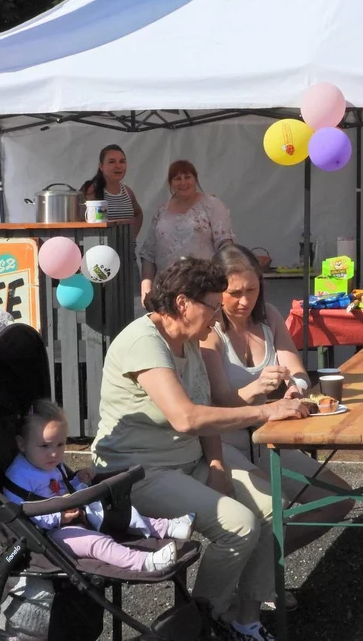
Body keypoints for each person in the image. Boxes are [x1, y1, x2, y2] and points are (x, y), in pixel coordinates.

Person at [90, 257, 308, 641]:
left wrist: (218, 465)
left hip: (187, 462)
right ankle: (200, 625)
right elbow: (187, 418)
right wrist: (267, 410)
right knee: (240, 525)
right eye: (213, 305)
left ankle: (245, 619)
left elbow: (205, 410)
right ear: (182, 303)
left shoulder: (188, 339)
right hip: (136, 473)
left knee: (274, 508)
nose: (218, 314)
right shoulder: (144, 341)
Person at [200, 244, 353, 554]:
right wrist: (258, 388)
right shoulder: (209, 331)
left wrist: (295, 388)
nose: (245, 301)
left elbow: (298, 372)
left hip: (269, 441)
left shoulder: (268, 315)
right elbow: (218, 402)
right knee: (275, 508)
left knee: (338, 499)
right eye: (235, 293)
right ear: (217, 291)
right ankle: (258, 573)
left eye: (252, 290)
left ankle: (264, 565)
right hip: (225, 445)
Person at [5, 399, 195, 573]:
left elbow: (62, 487)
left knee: (121, 514)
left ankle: (168, 528)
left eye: (60, 445)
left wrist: (78, 480)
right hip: (51, 534)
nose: (54, 453)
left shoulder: (49, 463)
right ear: (22, 444)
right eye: (45, 446)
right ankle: (144, 561)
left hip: (77, 513)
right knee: (97, 543)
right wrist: (58, 516)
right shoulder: (19, 476)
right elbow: (19, 512)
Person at [139, 160, 234, 309]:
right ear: (170, 183)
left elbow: (225, 245)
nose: (183, 182)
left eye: (187, 177)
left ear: (195, 179)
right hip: (167, 291)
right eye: (177, 178)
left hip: (203, 288)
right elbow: (148, 253)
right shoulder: (162, 211)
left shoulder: (212, 205)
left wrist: (226, 282)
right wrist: (146, 288)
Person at [80, 145, 144, 289]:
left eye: (122, 161)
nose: (118, 166)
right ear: (101, 166)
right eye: (111, 162)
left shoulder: (127, 191)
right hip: (100, 264)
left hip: (127, 259)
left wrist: (131, 236)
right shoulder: (91, 190)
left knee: (133, 301)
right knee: (104, 302)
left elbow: (138, 214)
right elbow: (79, 222)